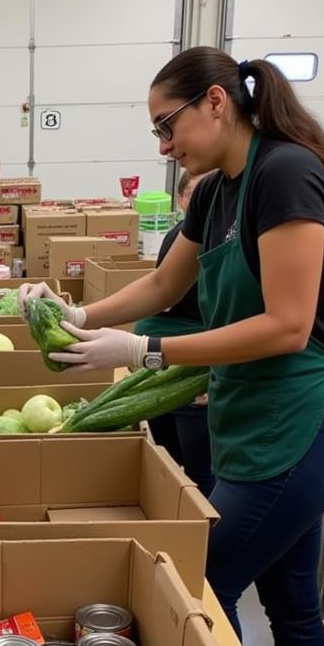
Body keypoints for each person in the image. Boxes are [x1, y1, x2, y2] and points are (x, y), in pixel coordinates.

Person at [20, 47, 324, 646]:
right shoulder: (218, 193)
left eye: (166, 125)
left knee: (203, 592)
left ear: (216, 102)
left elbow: (286, 325)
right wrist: (81, 317)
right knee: (290, 601)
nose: (163, 145)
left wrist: (145, 349)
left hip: (309, 426)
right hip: (254, 421)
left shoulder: (287, 175)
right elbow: (162, 281)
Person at [133, 168, 214, 496]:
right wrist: (82, 317)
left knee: (198, 464)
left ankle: (197, 521)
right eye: (197, 195)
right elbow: (162, 290)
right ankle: (177, 508)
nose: (208, 203)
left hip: (193, 359)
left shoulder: (230, 240)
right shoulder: (182, 238)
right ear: (181, 200)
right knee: (169, 453)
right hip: (169, 357)